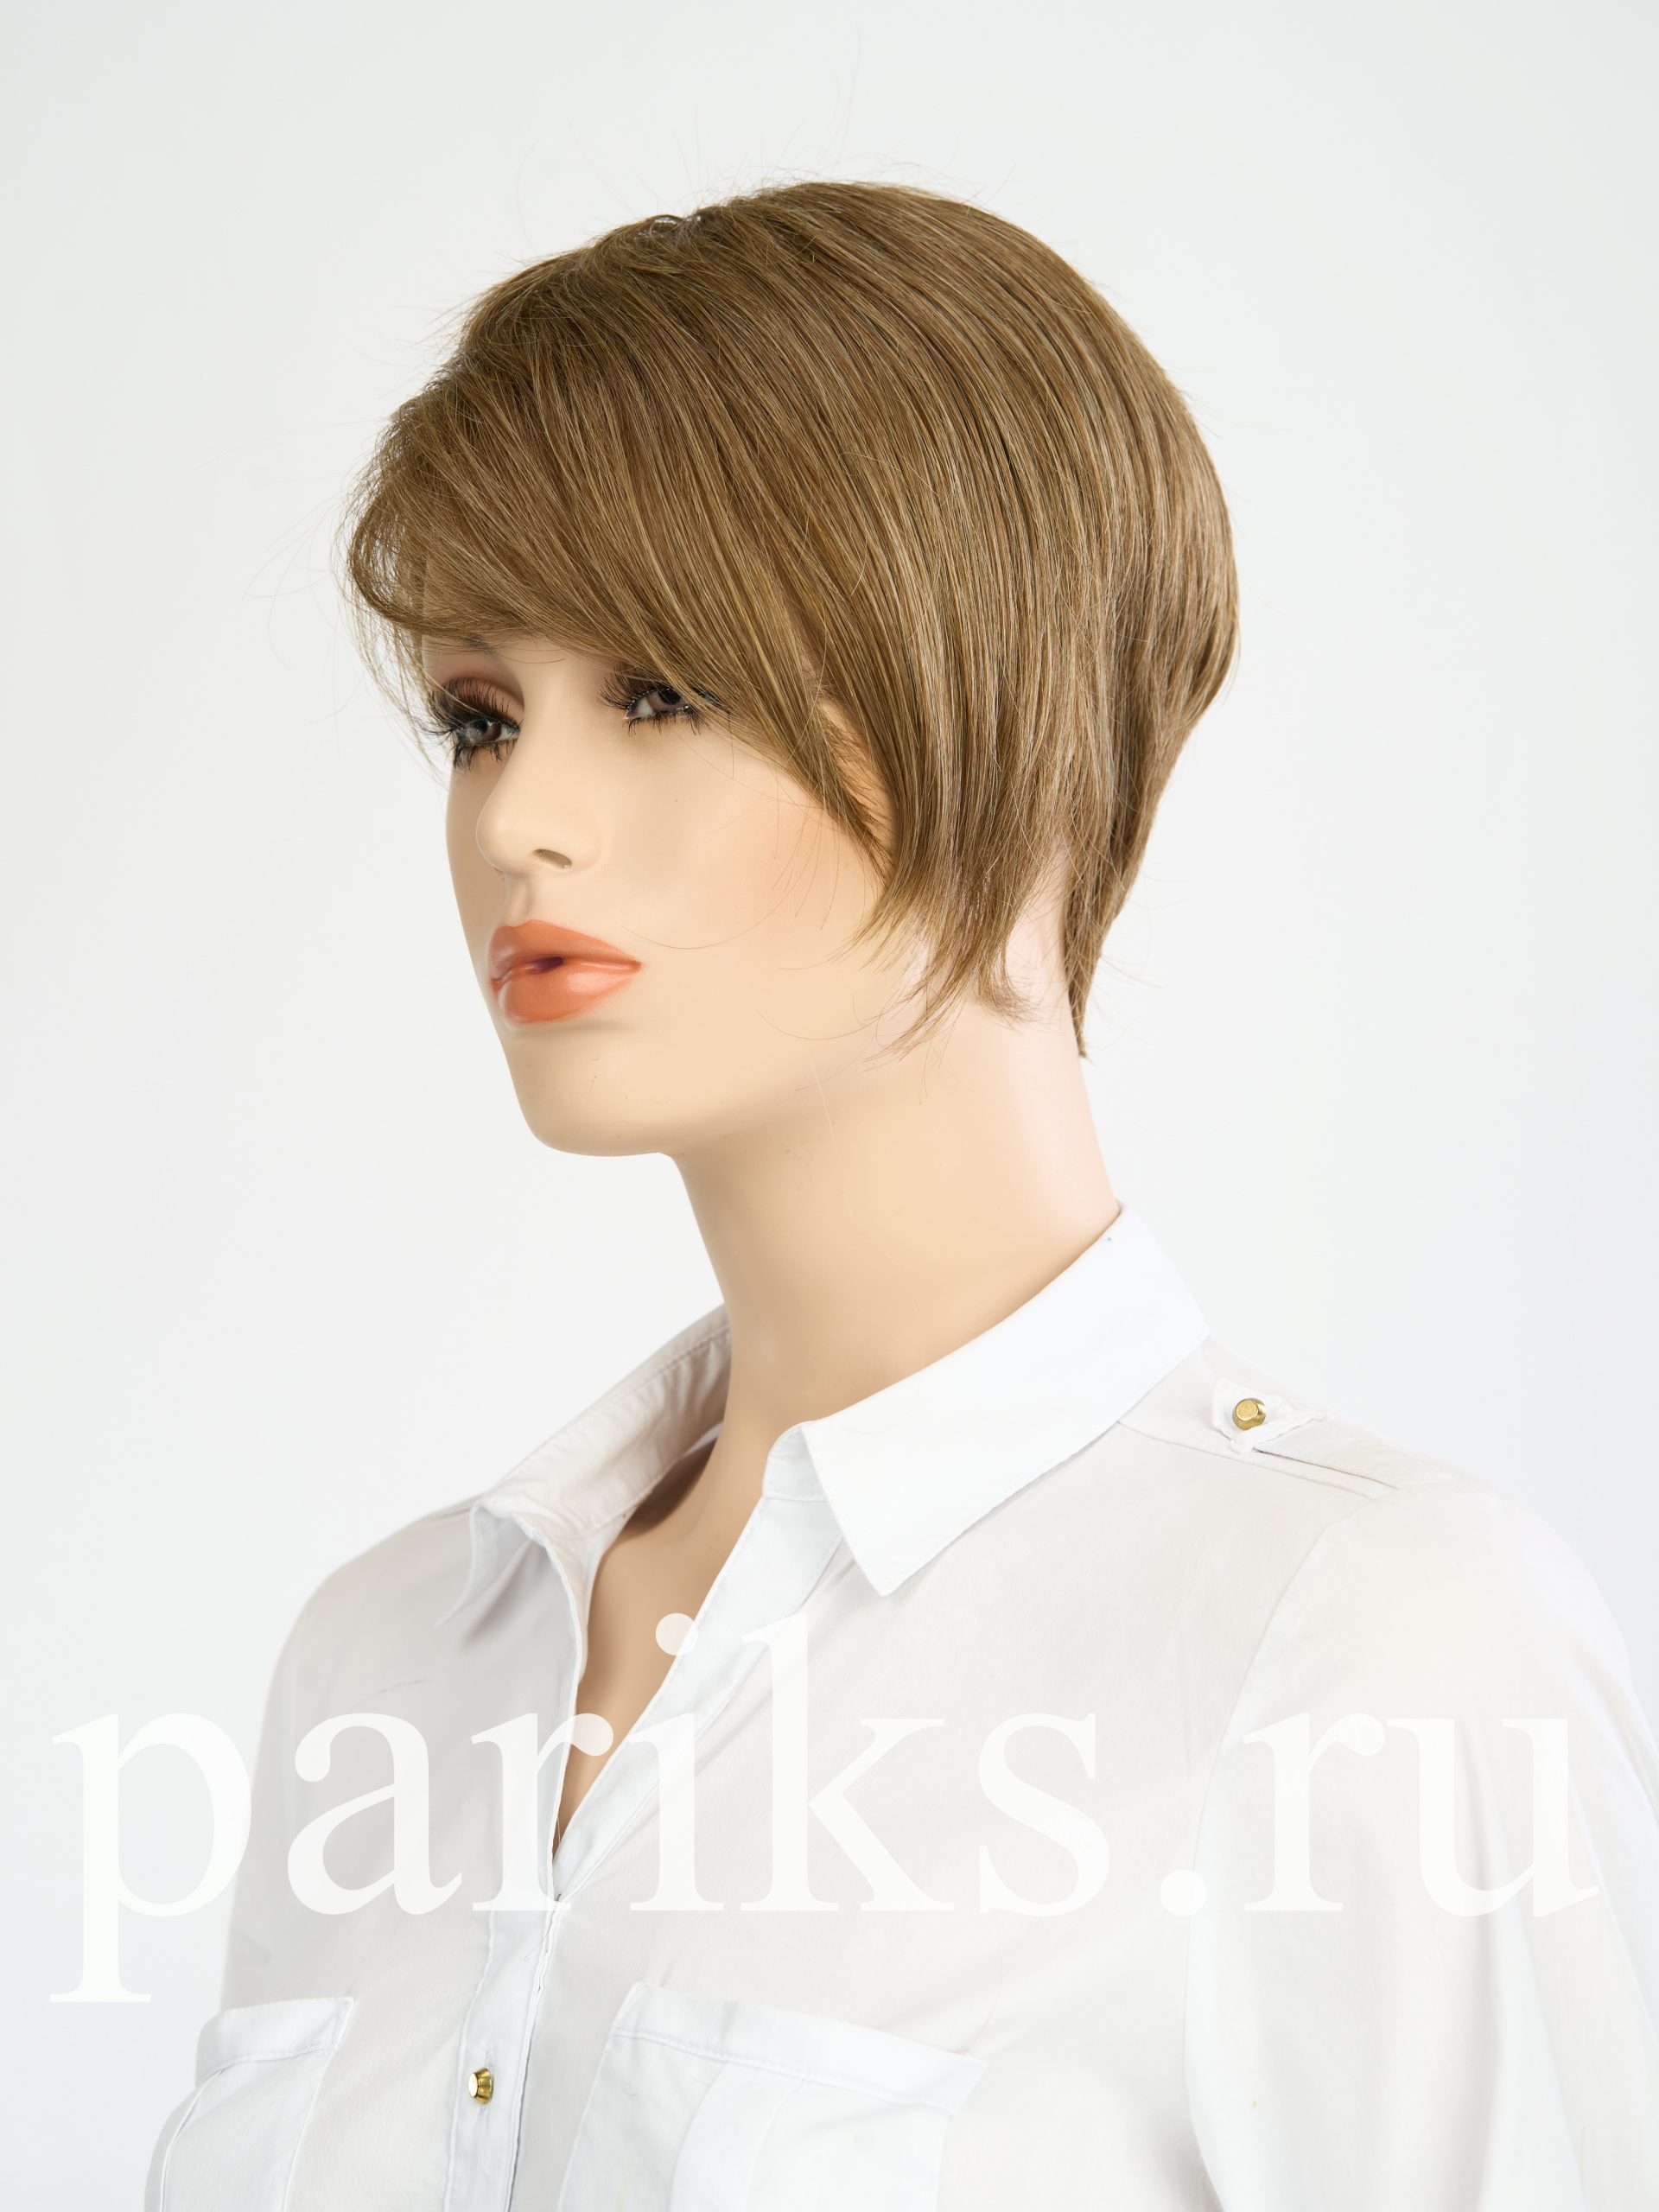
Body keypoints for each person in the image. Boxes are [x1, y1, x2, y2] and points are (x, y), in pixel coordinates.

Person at [144, 180, 1659, 2211]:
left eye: (661, 691)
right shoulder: (392, 1653)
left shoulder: (1368, 1644)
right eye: (478, 716)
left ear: (1010, 715)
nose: (519, 817)